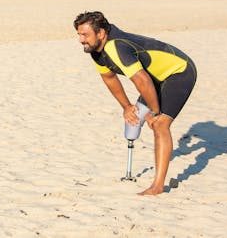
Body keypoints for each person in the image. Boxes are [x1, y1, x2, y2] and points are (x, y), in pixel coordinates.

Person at [73, 11, 197, 195]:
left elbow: (142, 81)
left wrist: (155, 113)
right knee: (134, 120)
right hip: (154, 77)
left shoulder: (116, 47)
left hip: (178, 71)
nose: (81, 40)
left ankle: (158, 186)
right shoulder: (96, 51)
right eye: (79, 35)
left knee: (160, 125)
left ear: (100, 33)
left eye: (85, 35)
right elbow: (109, 78)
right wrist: (127, 107)